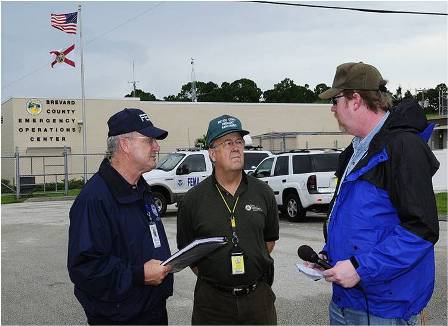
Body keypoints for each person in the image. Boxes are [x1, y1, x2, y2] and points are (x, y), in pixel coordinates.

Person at [309, 62, 440, 325]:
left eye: (335, 100)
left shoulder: (403, 147)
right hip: (346, 301)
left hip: (384, 309)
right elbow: (360, 219)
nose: (332, 109)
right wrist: (329, 254)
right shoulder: (354, 152)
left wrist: (360, 268)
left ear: (355, 100)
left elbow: (421, 230)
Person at [67, 108, 173, 325]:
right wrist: (138, 274)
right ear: (124, 144)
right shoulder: (95, 199)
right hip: (119, 319)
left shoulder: (141, 189)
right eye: (149, 140)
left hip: (152, 311)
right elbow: (85, 269)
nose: (157, 147)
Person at [177, 114, 279, 325]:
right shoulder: (193, 200)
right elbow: (189, 254)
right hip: (212, 304)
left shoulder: (263, 192)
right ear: (212, 153)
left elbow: (268, 242)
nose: (236, 147)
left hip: (257, 299)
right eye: (227, 142)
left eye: (239, 141)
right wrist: (220, 277)